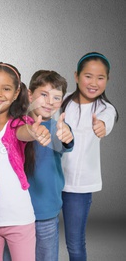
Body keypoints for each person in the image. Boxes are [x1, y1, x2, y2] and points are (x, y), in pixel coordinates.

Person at [0, 62, 51, 261]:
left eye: (6, 89)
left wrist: (36, 131)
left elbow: (24, 133)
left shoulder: (19, 124)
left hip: (19, 218)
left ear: (15, 93)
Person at [61, 52, 119, 261]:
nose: (94, 82)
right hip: (51, 181)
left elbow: (107, 120)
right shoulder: (63, 102)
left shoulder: (105, 109)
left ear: (107, 80)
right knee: (41, 236)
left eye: (100, 77)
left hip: (78, 187)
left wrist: (101, 126)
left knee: (74, 243)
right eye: (88, 76)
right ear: (76, 76)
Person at [27, 70, 74, 261]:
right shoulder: (18, 126)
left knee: (46, 256)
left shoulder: (58, 128)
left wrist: (66, 136)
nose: (49, 102)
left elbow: (66, 142)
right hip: (18, 212)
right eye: (43, 95)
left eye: (56, 97)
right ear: (30, 95)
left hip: (47, 210)